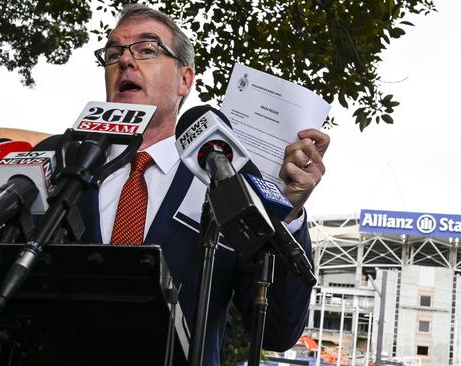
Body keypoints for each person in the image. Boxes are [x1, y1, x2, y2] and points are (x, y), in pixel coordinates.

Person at [79, 4, 330, 365]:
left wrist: (287, 213)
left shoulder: (229, 182)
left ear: (185, 79)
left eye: (147, 50)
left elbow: (278, 330)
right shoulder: (68, 165)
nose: (125, 62)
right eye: (114, 52)